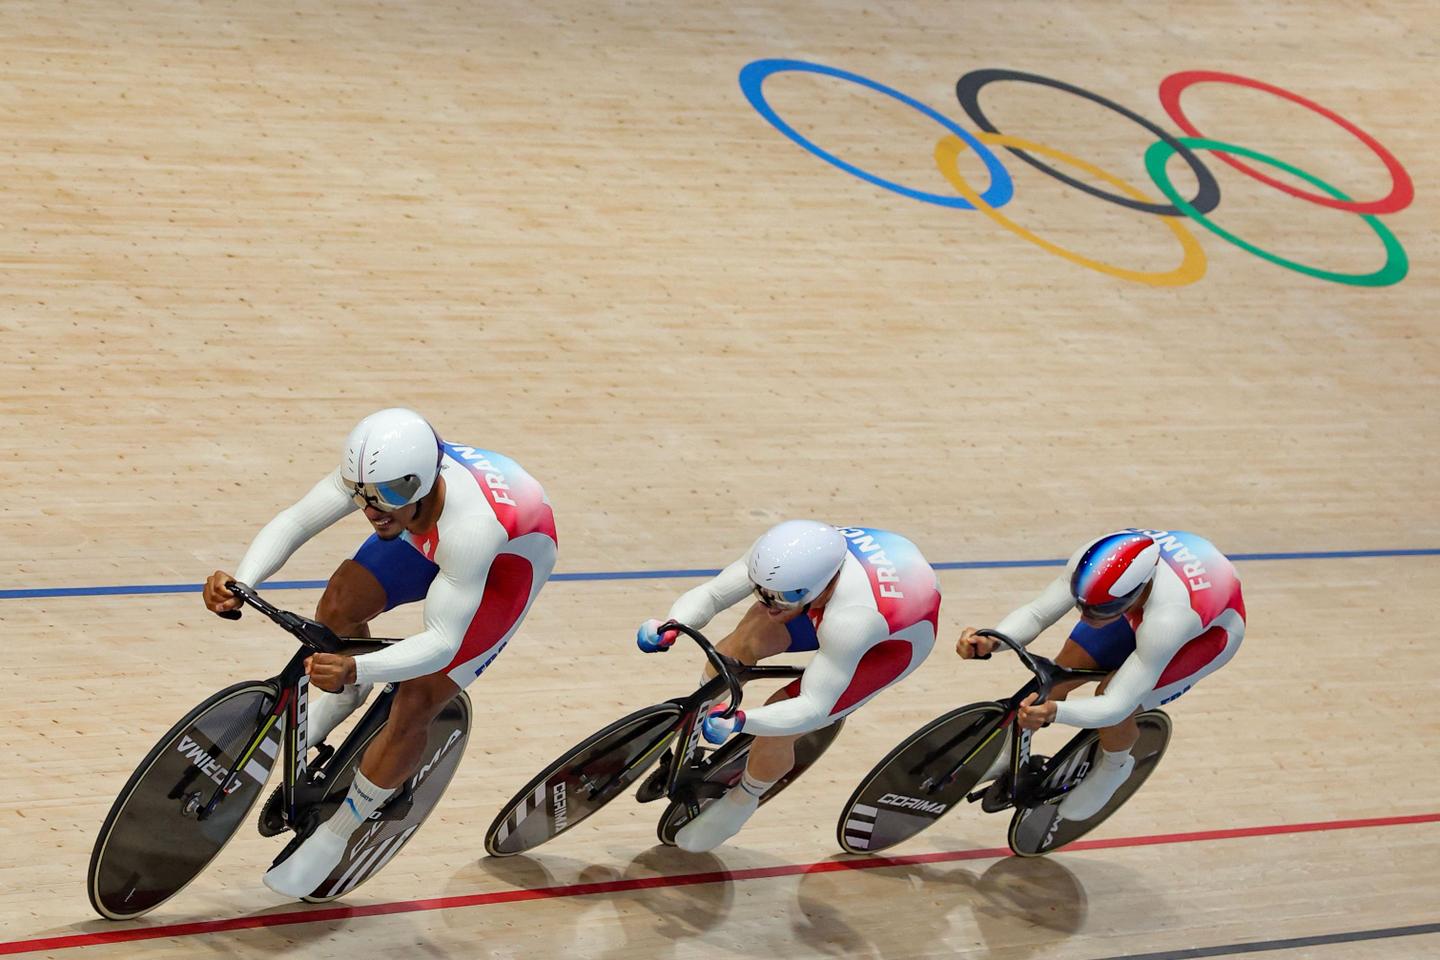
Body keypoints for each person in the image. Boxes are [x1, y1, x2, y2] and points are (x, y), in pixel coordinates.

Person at [202, 408, 557, 898]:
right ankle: (347, 701)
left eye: (388, 496)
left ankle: (338, 833)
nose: (372, 510)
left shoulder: (470, 528)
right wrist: (243, 580)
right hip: (428, 530)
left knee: (418, 698)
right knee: (339, 603)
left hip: (506, 563)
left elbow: (442, 643)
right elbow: (297, 520)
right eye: (362, 495)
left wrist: (355, 667)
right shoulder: (382, 478)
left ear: (423, 482)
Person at [637, 520, 941, 852]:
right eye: (763, 592)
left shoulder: (851, 620)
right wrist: (673, 623)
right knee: (742, 641)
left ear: (821, 586)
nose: (770, 604)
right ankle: (698, 722)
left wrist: (741, 721)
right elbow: (713, 593)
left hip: (889, 645)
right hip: (829, 600)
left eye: (782, 597)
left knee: (778, 720)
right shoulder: (778, 557)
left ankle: (744, 799)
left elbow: (813, 707)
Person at [957, 529, 1245, 820]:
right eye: (1082, 605)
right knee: (1062, 670)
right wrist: (993, 640)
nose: (1086, 618)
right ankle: (1009, 755)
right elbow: (1037, 613)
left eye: (1100, 609)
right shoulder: (1094, 561)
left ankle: (1115, 767)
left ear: (1138, 590)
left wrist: (1055, 712)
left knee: (1111, 693)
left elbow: (1116, 705)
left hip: (1208, 636)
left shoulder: (1169, 619)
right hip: (1147, 604)